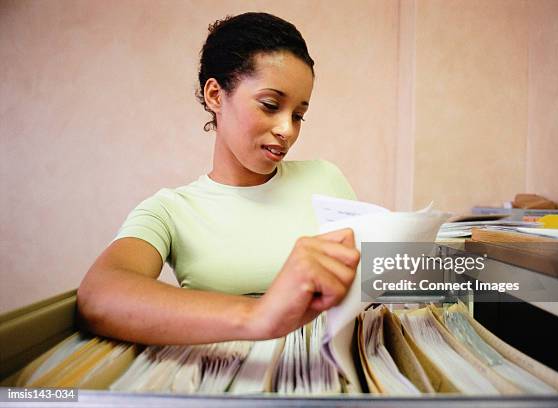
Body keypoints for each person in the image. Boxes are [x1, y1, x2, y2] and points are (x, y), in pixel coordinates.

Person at [77, 12, 360, 345]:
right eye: (270, 105)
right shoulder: (169, 210)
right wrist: (259, 316)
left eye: (298, 115)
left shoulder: (324, 178)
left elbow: (373, 278)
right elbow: (99, 296)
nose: (287, 130)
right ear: (215, 95)